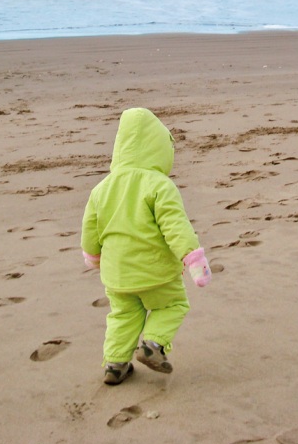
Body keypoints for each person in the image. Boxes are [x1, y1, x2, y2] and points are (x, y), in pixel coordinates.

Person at [81, 106, 211, 385]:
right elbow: (176, 227)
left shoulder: (101, 188)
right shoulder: (160, 185)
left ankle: (115, 364)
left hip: (117, 275)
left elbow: (90, 228)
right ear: (159, 148)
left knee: (123, 315)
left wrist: (93, 256)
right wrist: (194, 259)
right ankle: (153, 344)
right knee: (173, 305)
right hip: (156, 273)